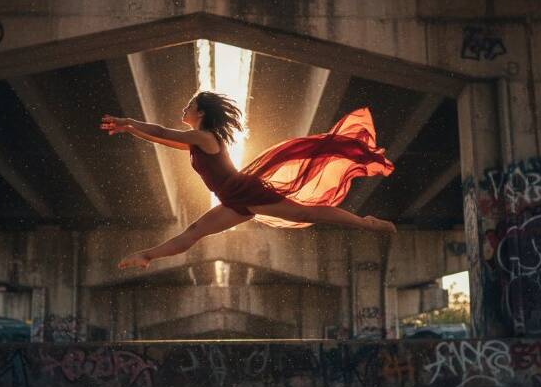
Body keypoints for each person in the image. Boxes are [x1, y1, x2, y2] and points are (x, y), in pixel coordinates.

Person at [100, 91, 396, 269]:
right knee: (193, 232)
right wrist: (130, 130)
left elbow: (164, 132)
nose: (184, 110)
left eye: (189, 106)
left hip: (243, 191)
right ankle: (146, 256)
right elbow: (163, 139)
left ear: (200, 112)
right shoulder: (196, 140)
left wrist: (129, 122)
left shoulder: (203, 136)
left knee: (304, 212)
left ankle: (366, 223)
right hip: (232, 200)